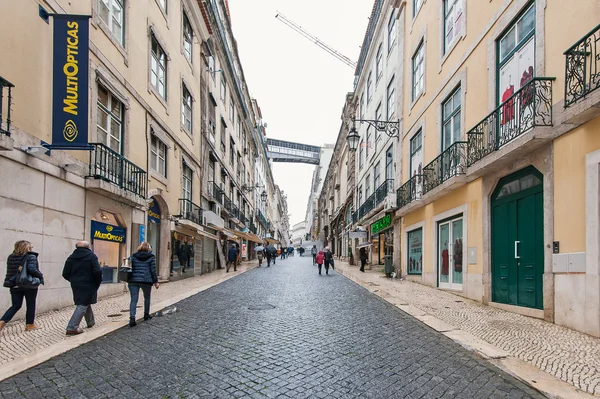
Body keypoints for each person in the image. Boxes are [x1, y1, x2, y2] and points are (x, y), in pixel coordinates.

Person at [1, 240, 44, 332]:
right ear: (26, 247)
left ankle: (1, 322)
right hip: (28, 284)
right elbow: (32, 269)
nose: (31, 248)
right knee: (31, 304)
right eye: (30, 247)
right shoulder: (30, 256)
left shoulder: (11, 257)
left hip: (14, 284)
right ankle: (29, 325)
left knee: (15, 305)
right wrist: (40, 275)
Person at [62, 241, 102, 335]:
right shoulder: (92, 256)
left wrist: (73, 280)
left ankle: (90, 322)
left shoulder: (71, 257)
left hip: (76, 283)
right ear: (88, 247)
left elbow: (65, 273)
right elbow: (98, 271)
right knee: (83, 304)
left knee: (84, 301)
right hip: (89, 283)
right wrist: (97, 281)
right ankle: (72, 327)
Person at [128, 242, 159, 327]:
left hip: (133, 280)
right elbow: (153, 270)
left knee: (133, 300)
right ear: (149, 248)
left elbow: (128, 266)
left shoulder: (133, 256)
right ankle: (146, 314)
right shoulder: (151, 257)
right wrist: (156, 281)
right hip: (146, 280)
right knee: (147, 298)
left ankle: (132, 318)